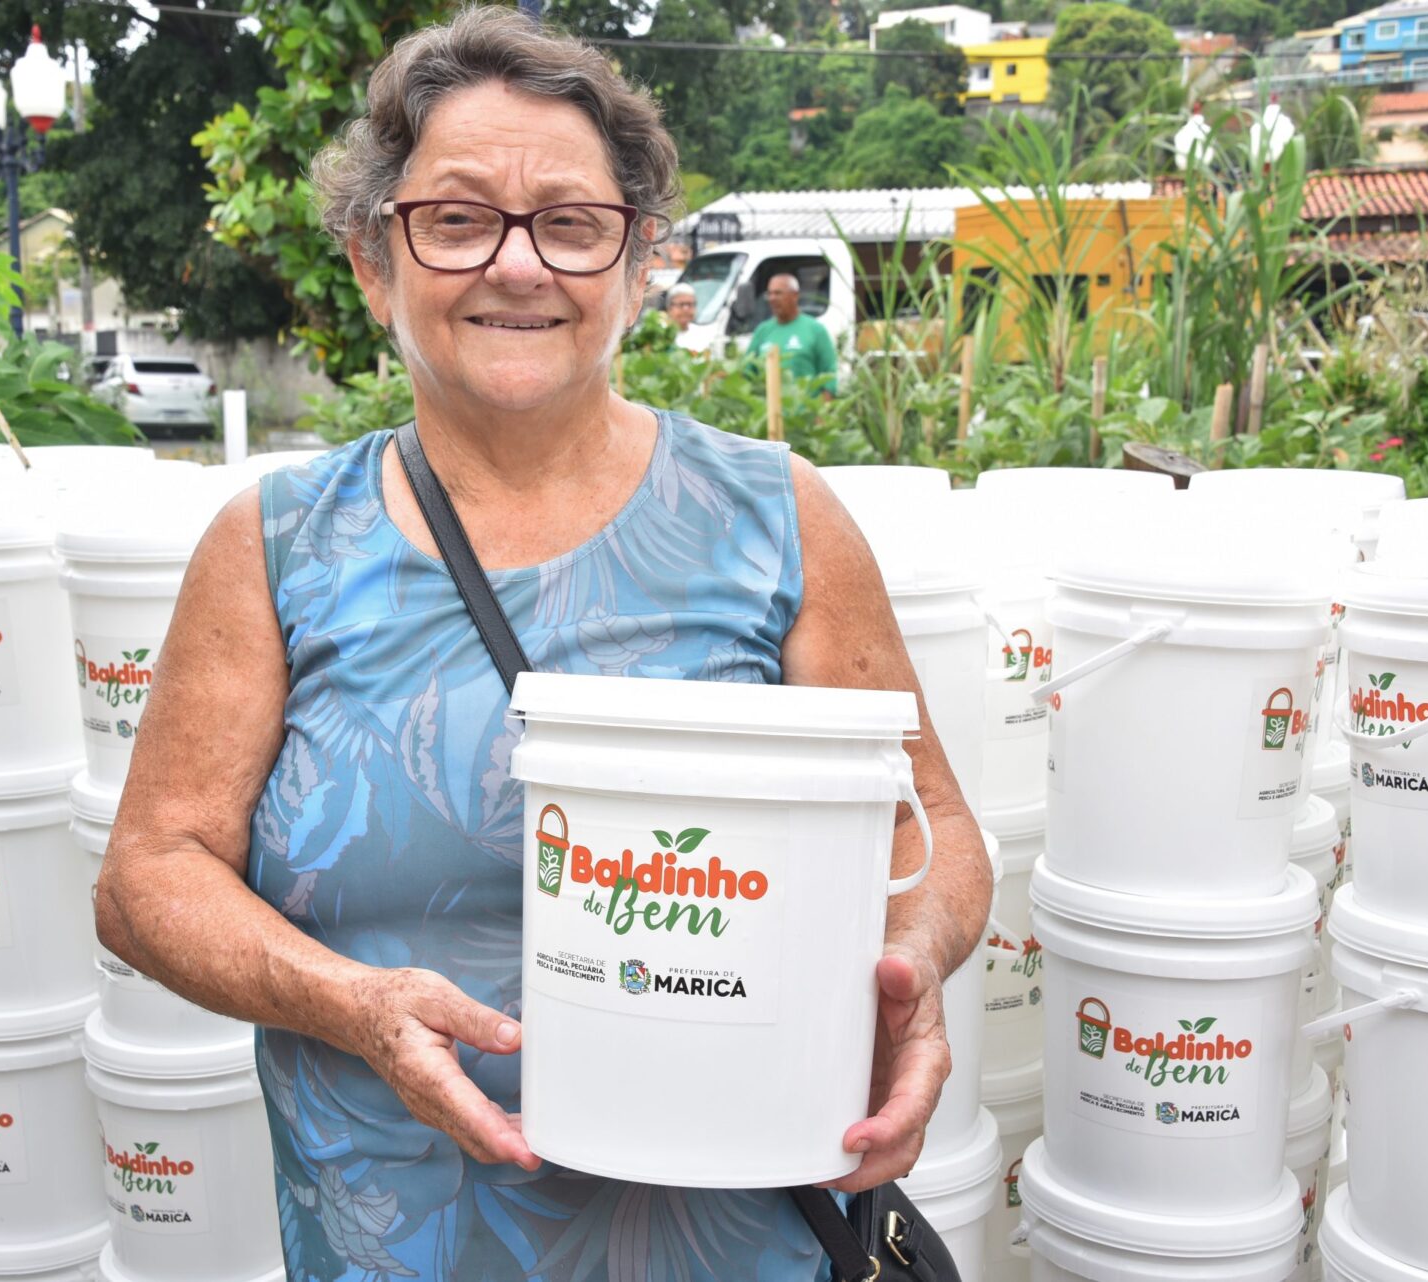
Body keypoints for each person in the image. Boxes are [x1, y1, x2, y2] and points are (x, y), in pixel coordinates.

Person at [94, 9, 989, 1281]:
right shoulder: (280, 544)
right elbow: (145, 877)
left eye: (572, 224)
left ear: (637, 267)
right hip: (396, 1243)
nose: (519, 266)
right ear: (373, 261)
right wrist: (349, 1002)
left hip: (731, 1244)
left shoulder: (774, 518)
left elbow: (932, 831)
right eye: (457, 220)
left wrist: (914, 969)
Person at [746, 273, 839, 393]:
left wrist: (820, 409)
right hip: (768, 410)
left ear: (795, 296)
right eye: (770, 294)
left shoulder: (816, 330)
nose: (772, 298)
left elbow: (829, 376)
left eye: (778, 293)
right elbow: (746, 371)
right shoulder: (762, 331)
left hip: (804, 410)